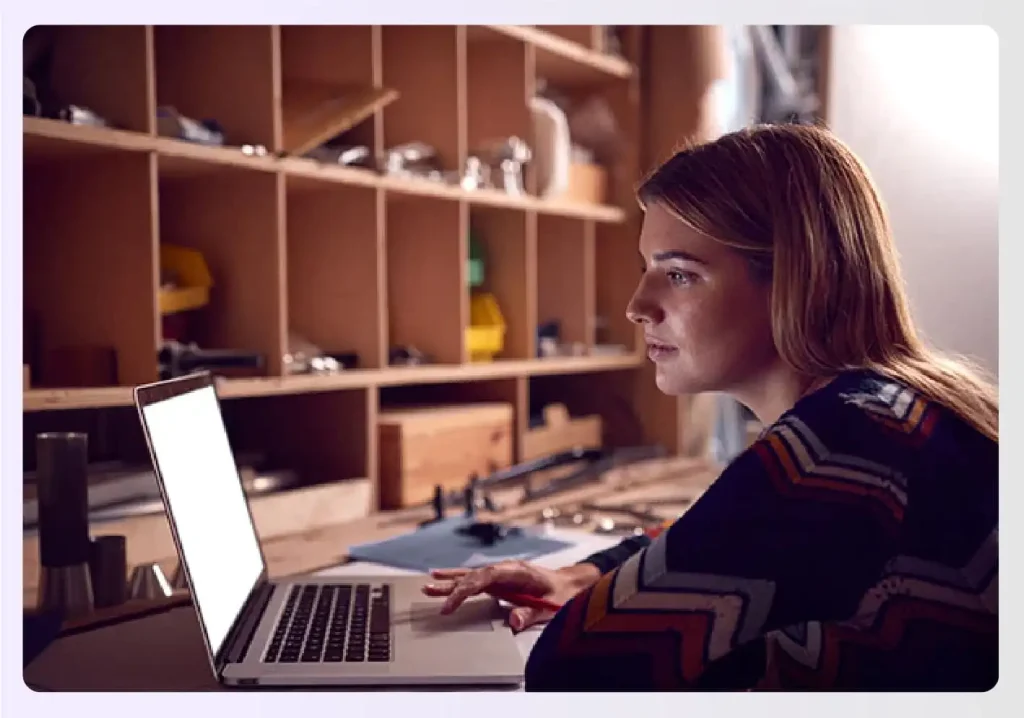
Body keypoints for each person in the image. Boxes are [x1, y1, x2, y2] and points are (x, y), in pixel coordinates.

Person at [422, 123, 999, 691]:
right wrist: (586, 574)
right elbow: (732, 540)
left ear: (797, 281)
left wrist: (613, 600)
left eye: (679, 274)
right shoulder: (895, 409)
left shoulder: (844, 441)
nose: (638, 305)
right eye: (646, 269)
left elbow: (577, 668)